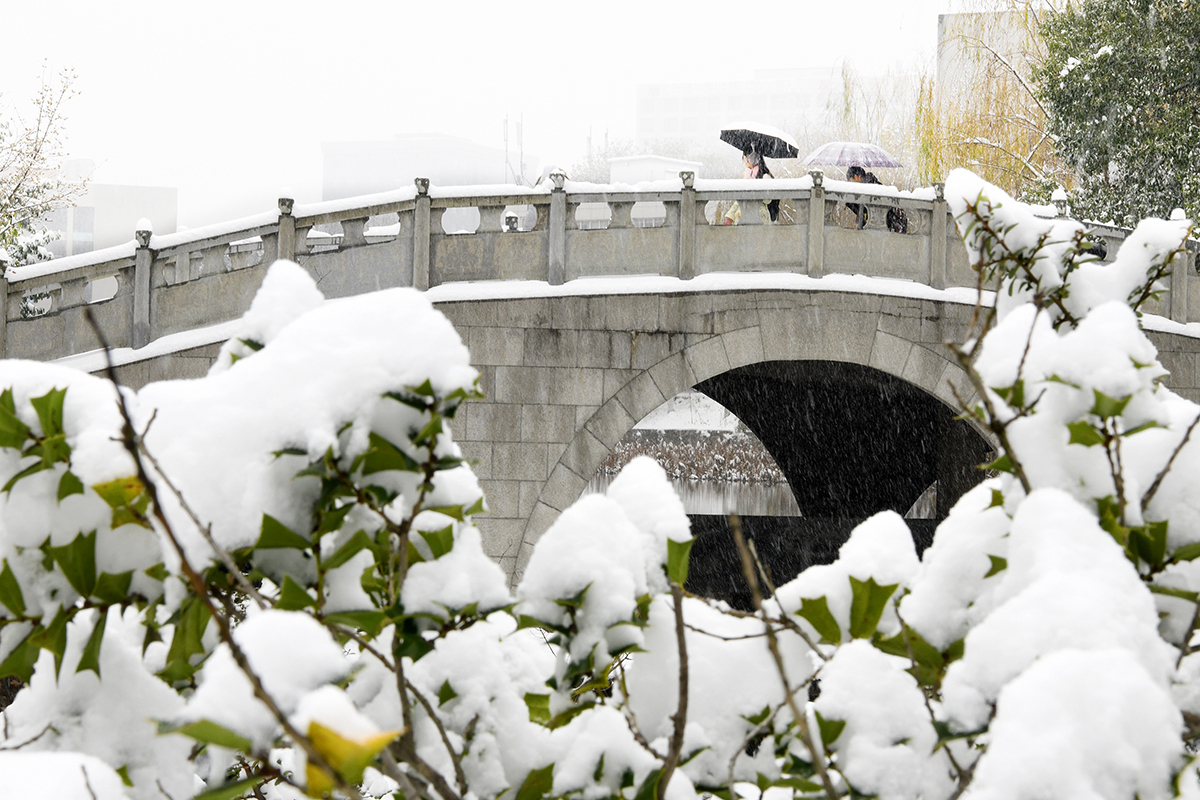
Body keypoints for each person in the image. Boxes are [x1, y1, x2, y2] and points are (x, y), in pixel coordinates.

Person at [723, 148, 780, 224]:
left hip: (760, 216)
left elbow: (767, 199)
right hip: (744, 215)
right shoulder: (748, 176)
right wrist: (730, 216)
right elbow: (740, 198)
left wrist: (753, 192)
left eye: (745, 157)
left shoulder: (765, 177)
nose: (744, 160)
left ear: (752, 159)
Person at [845, 165, 908, 233]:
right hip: (894, 224)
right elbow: (865, 214)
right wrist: (850, 204)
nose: (850, 184)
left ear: (857, 177)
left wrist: (850, 203)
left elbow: (865, 214)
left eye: (851, 181)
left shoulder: (867, 187)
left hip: (892, 225)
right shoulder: (871, 184)